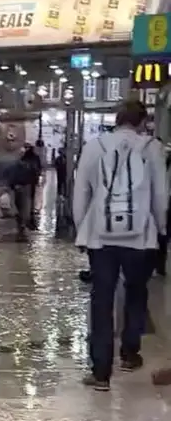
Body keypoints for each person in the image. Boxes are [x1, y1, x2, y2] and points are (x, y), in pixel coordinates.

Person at [73, 99, 168, 391]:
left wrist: (81, 230)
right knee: (136, 293)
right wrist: (160, 227)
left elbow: (81, 192)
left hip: (101, 236)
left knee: (102, 299)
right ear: (142, 122)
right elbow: (160, 194)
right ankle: (129, 353)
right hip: (140, 236)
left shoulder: (94, 146)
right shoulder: (152, 148)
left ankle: (101, 372)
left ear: (117, 119)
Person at [6, 147, 37, 240]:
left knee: (22, 207)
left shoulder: (24, 165)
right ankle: (22, 225)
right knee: (22, 207)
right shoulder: (24, 165)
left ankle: (22, 225)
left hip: (22, 187)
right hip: (22, 187)